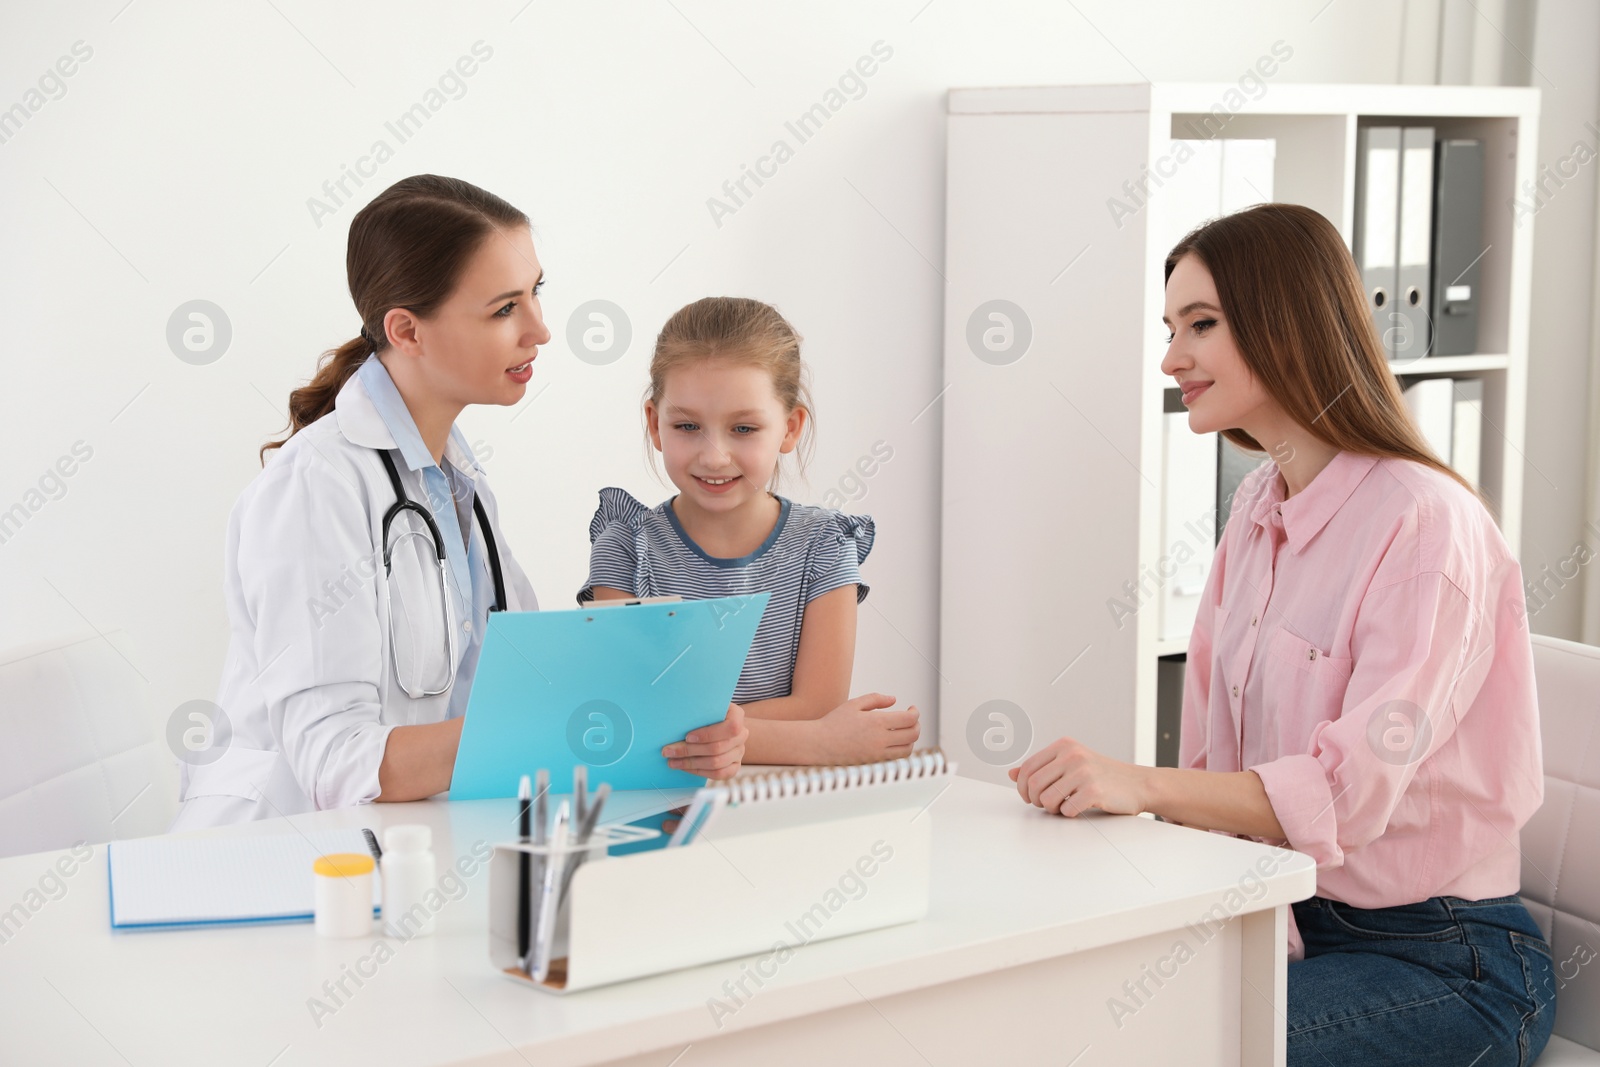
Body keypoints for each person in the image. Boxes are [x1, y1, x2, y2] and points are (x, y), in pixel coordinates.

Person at [1009, 203, 1555, 1066]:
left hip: (1447, 959)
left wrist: (1134, 784)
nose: (1171, 357)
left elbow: (1347, 795)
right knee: (1044, 1012)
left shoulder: (1424, 523)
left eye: (1201, 324)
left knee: (1152, 1047)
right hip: (1280, 921)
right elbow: (1213, 762)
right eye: (1170, 327)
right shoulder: (1258, 505)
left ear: (1286, 323)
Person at [170, 176, 746, 830]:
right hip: (281, 867)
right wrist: (562, 726)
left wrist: (658, 719)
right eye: (504, 309)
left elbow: (517, 682)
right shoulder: (316, 488)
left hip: (417, 845)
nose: (540, 330)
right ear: (407, 331)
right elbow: (335, 761)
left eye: (536, 293)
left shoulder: (453, 479)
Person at [579, 296, 920, 766]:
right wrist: (822, 743)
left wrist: (687, 729)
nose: (714, 456)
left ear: (790, 427)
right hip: (668, 805)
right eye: (687, 425)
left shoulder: (824, 545)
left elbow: (817, 704)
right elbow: (633, 720)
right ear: (654, 424)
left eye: (743, 428)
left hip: (784, 804)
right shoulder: (626, 546)